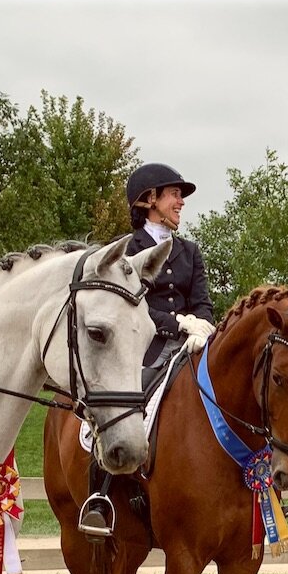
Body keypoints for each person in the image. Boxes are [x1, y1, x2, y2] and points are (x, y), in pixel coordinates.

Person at [79, 161, 218, 536]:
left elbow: (202, 301)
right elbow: (127, 308)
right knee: (123, 406)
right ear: (149, 200)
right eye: (174, 194)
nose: (181, 202)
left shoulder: (190, 251)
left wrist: (201, 325)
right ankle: (102, 498)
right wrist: (177, 323)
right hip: (145, 348)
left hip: (192, 344)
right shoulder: (126, 252)